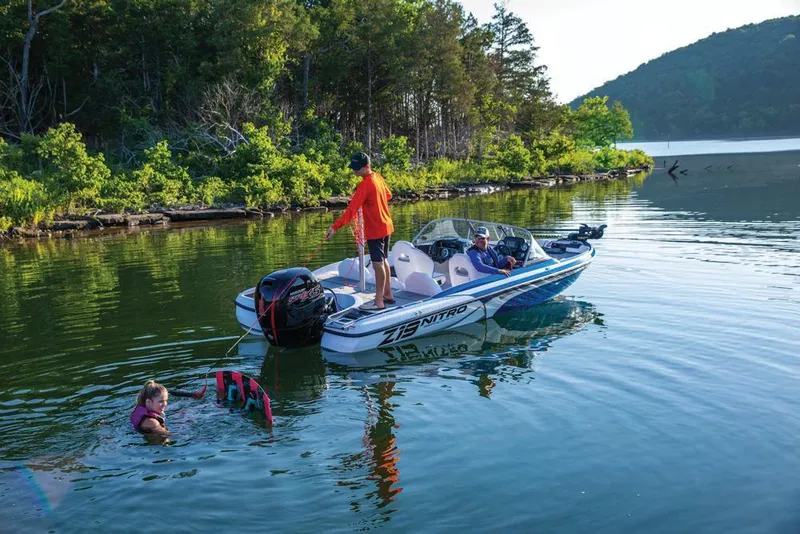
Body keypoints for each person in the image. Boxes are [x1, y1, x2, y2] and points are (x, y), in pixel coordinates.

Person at [325, 152, 395, 310]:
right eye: (353, 167)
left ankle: (378, 301)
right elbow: (388, 195)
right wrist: (372, 201)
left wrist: (334, 227)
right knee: (383, 259)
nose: (354, 171)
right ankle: (388, 294)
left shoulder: (364, 185)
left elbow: (351, 211)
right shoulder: (378, 177)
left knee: (377, 263)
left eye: (357, 168)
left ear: (367, 166)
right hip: (387, 225)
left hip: (376, 229)